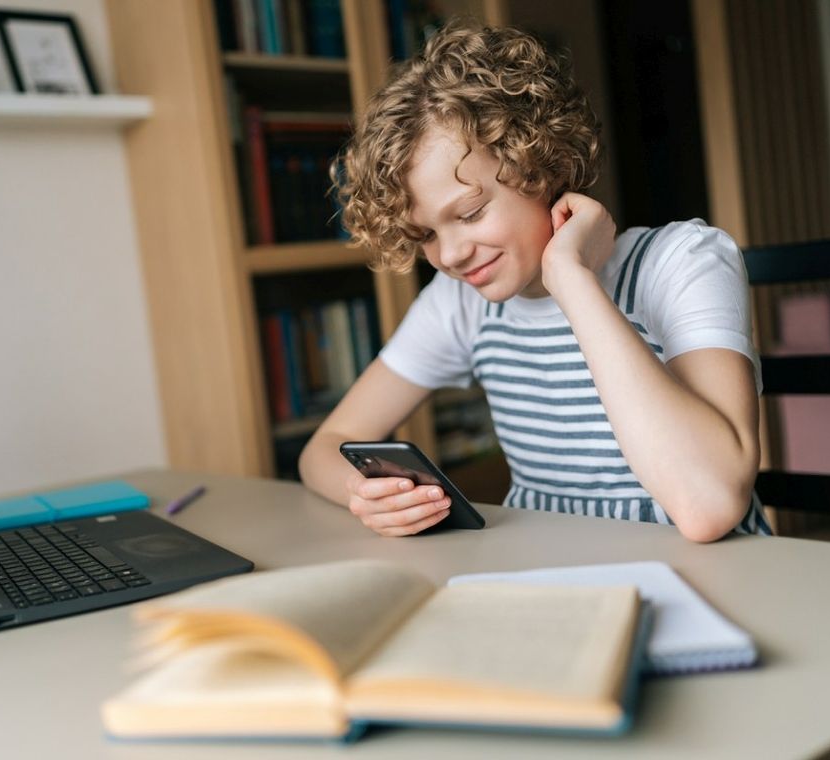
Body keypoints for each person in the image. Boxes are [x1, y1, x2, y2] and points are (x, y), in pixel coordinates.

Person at [298, 22, 771, 542]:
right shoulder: (462, 304)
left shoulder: (681, 261)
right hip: (551, 587)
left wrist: (571, 279)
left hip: (714, 583)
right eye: (425, 233)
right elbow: (325, 448)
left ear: (540, 166)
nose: (450, 255)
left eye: (472, 213)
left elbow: (709, 506)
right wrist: (365, 495)